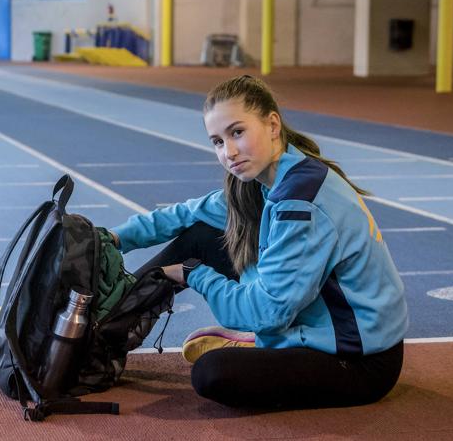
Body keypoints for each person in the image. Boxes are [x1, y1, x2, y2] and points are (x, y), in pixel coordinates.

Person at [109, 75, 408, 409]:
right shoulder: (263, 179)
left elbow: (267, 313)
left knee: (212, 375)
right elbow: (187, 214)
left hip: (359, 360)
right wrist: (113, 238)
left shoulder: (301, 203)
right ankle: (106, 332)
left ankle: (267, 344)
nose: (229, 152)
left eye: (237, 132)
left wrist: (191, 273)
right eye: (218, 142)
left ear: (272, 124)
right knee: (201, 234)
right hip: (307, 321)